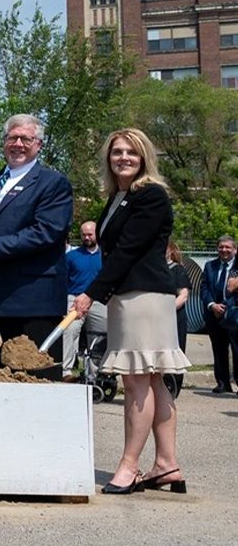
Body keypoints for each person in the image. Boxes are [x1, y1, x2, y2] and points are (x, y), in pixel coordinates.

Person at [72, 127, 189, 494]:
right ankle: (167, 464)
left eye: (131, 153)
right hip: (131, 296)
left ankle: (128, 466)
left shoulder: (149, 195)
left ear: (144, 159)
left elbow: (128, 250)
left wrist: (91, 293)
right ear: (108, 158)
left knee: (136, 380)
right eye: (117, 152)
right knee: (153, 380)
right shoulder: (118, 197)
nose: (123, 158)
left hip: (143, 297)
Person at [0, 114, 73, 380]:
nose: (18, 144)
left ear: (39, 144)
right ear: (4, 142)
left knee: (36, 381)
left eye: (26, 139)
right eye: (12, 138)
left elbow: (47, 232)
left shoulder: (53, 183)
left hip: (32, 302)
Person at [196, 235, 238, 393]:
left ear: (234, 249)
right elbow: (204, 288)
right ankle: (222, 382)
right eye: (221, 247)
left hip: (233, 314)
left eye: (227, 247)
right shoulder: (209, 266)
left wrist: (226, 306)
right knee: (219, 350)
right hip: (214, 315)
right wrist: (212, 305)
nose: (224, 250)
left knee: (237, 349)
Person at [63, 222, 103, 380]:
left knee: (100, 335)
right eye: (83, 235)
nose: (87, 238)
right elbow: (63, 281)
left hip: (99, 300)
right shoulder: (72, 256)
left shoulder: (106, 256)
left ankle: (96, 374)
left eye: (90, 234)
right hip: (75, 298)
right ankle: (66, 371)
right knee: (69, 330)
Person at [167, 240, 192, 394]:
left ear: (171, 250)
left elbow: (182, 296)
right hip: (155, 318)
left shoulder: (178, 270)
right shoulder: (154, 270)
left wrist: (165, 311)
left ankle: (173, 385)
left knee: (175, 351)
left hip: (174, 316)